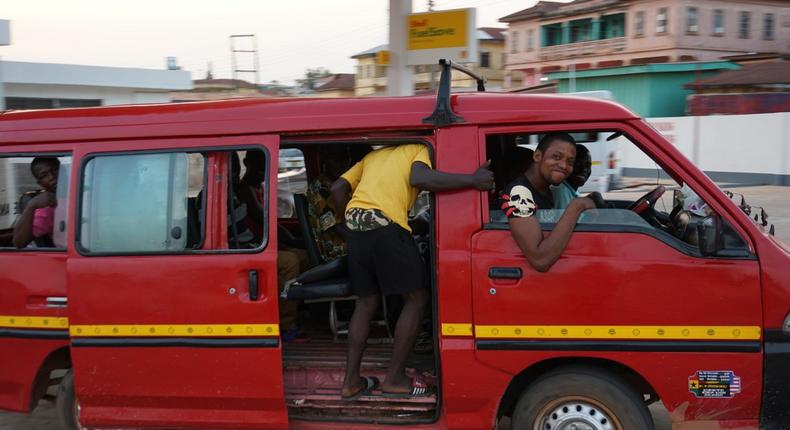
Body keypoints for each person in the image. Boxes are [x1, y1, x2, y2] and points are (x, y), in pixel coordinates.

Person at [331, 143, 493, 400]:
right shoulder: (418, 148)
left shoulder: (373, 155)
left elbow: (338, 189)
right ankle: (394, 379)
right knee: (416, 299)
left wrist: (346, 227)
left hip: (357, 227)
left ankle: (350, 382)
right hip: (387, 225)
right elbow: (420, 178)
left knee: (366, 302)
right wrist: (473, 180)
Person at [238, 150, 310, 342]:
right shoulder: (245, 189)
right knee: (290, 262)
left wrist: (293, 241)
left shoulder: (258, 188)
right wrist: (291, 240)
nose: (263, 171)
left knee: (304, 256)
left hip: (261, 243)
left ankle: (295, 308)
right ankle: (286, 324)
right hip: (252, 248)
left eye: (265, 167)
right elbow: (264, 219)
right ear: (246, 163)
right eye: (258, 166)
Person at [499, 133, 595, 273]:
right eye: (556, 157)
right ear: (537, 156)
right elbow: (540, 260)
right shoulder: (519, 192)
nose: (564, 165)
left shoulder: (547, 190)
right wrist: (577, 206)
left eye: (570, 161)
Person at [13, 157, 60, 248]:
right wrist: (31, 206)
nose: (52, 177)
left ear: (64, 170)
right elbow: (19, 242)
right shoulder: (47, 208)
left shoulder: (82, 191)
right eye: (44, 175)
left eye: (55, 169)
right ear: (40, 183)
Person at [552, 144, 592, 209]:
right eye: (578, 164)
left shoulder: (572, 191)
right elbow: (564, 219)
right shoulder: (560, 191)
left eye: (588, 165)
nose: (584, 169)